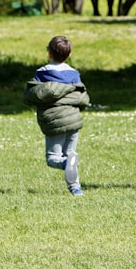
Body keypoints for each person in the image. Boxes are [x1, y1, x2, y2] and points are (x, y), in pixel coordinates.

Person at [24, 36, 90, 195]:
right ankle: (76, 189)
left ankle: (69, 167)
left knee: (54, 158)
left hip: (54, 121)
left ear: (49, 53)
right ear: (69, 55)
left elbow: (33, 95)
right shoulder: (74, 74)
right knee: (70, 156)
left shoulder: (41, 73)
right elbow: (81, 96)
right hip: (73, 120)